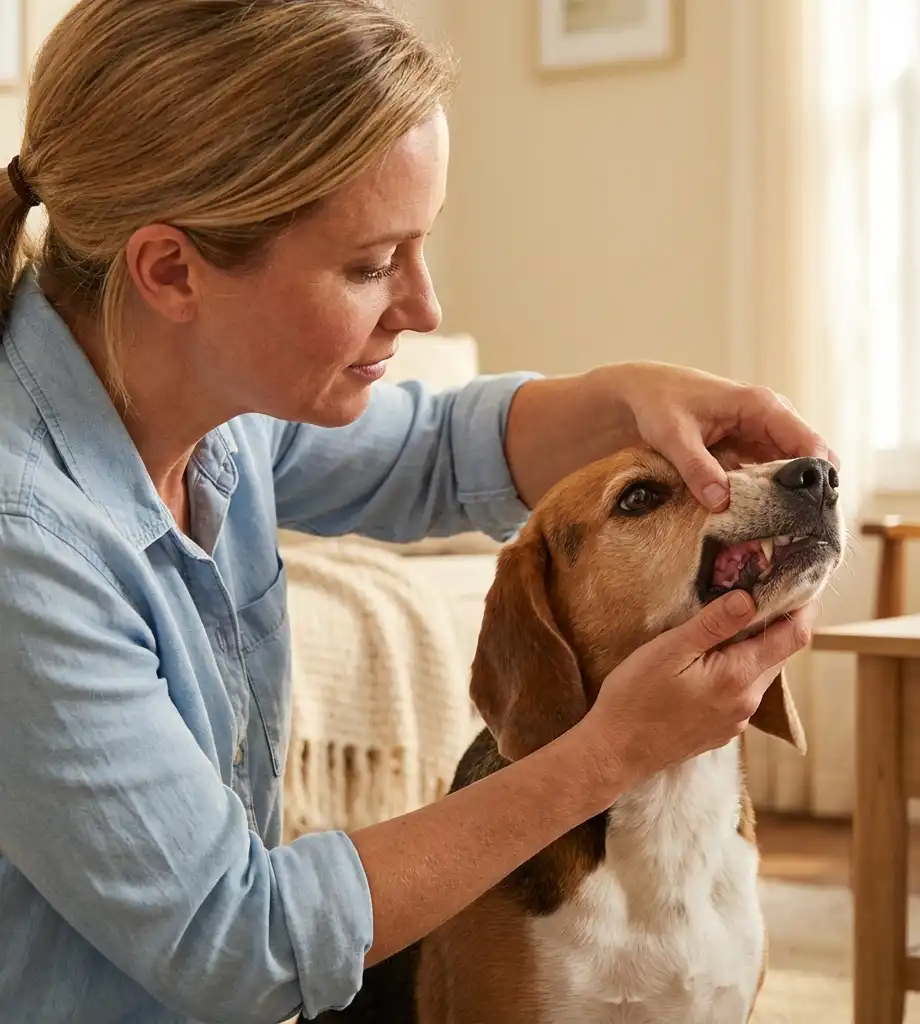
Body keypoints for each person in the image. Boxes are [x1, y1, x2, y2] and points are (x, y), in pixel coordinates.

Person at [0, 2, 836, 1021]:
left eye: (418, 245)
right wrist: (609, 751)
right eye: (368, 264)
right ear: (171, 269)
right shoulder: (25, 542)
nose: (424, 307)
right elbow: (241, 939)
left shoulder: (210, 404)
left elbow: (431, 446)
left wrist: (626, 396)